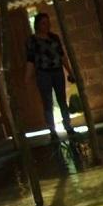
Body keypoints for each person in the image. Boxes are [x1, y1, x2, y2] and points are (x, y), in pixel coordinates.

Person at [25, 13, 76, 141]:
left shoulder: (54, 37)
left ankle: (68, 125)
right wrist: (27, 78)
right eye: (43, 23)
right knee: (47, 102)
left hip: (57, 71)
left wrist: (70, 71)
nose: (46, 25)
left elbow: (62, 55)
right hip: (43, 73)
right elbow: (30, 60)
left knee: (62, 100)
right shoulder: (32, 41)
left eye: (48, 22)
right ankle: (52, 130)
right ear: (37, 25)